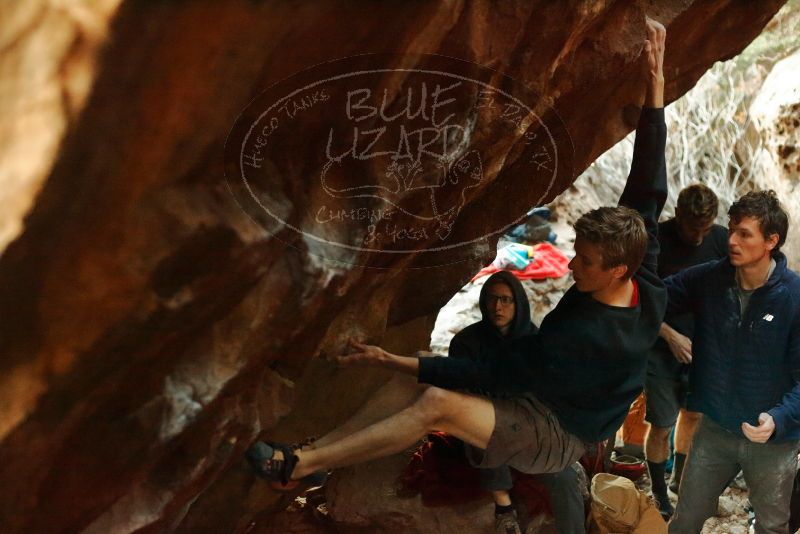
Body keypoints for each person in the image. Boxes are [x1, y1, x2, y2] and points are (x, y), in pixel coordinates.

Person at [245, 17, 667, 529]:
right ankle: (314, 454)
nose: (572, 264)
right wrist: (656, 87)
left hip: (553, 433)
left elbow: (494, 373)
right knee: (419, 376)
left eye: (586, 261)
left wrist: (394, 361)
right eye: (576, 251)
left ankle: (298, 467)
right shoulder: (644, 279)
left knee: (436, 401)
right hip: (541, 393)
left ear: (617, 267)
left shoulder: (583, 336)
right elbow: (648, 189)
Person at [666, 190, 800, 534]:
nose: (732, 240)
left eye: (745, 234)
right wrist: (666, 332)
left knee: (772, 526)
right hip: (715, 430)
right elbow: (653, 298)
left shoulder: (794, 298)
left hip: (773, 440)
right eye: (732, 229)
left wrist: (779, 419)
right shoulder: (708, 279)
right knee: (685, 520)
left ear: (771, 240)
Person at [448, 271, 586, 534]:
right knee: (488, 431)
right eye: (491, 299)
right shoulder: (466, 343)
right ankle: (504, 509)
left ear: (518, 303)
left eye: (505, 300)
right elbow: (464, 394)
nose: (497, 307)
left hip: (527, 425)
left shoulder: (533, 340)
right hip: (485, 421)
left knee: (565, 478)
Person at [644, 184, 728, 517]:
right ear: (677, 215)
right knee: (662, 423)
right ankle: (658, 491)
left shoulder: (721, 241)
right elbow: (640, 300)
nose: (699, 237)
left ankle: (681, 480)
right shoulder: (658, 240)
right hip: (661, 345)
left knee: (693, 415)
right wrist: (670, 336)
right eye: (693, 229)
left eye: (705, 229)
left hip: (703, 348)